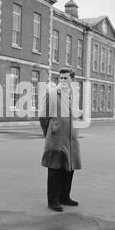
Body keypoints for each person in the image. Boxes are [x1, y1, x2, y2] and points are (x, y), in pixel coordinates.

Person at [39, 67, 82, 212]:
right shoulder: (51, 94)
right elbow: (43, 116)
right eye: (61, 78)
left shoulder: (74, 94)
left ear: (72, 80)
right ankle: (53, 201)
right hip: (56, 136)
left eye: (66, 78)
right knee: (55, 168)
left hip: (71, 136)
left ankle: (65, 197)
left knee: (69, 168)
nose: (63, 81)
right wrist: (50, 131)